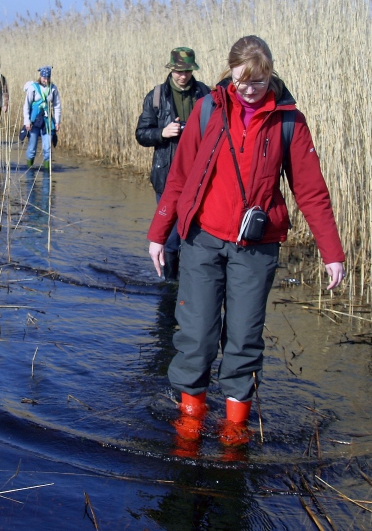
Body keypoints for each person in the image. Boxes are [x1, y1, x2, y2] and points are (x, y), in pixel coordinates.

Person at [146, 36, 346, 450]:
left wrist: (332, 253)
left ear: (270, 74)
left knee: (244, 336)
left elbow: (311, 191)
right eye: (241, 81)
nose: (249, 89)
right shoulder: (208, 111)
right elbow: (179, 178)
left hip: (256, 248)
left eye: (257, 81)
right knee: (196, 333)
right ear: (230, 73)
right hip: (201, 240)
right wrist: (158, 234)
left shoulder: (289, 121)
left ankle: (234, 427)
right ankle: (190, 419)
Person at [136, 47, 211, 281]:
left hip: (199, 176)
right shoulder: (156, 96)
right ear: (171, 69)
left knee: (194, 232)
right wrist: (162, 132)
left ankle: (190, 280)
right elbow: (141, 134)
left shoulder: (205, 94)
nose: (183, 75)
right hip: (166, 176)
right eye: (179, 71)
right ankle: (169, 283)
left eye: (187, 70)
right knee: (170, 235)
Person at [22, 66, 61, 170]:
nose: (46, 80)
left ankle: (47, 173)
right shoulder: (32, 88)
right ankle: (29, 172)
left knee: (47, 149)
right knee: (32, 149)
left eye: (48, 77)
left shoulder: (53, 88)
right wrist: (27, 121)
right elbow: (26, 105)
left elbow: (56, 106)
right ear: (40, 76)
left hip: (47, 121)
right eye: (44, 77)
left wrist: (57, 122)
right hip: (34, 121)